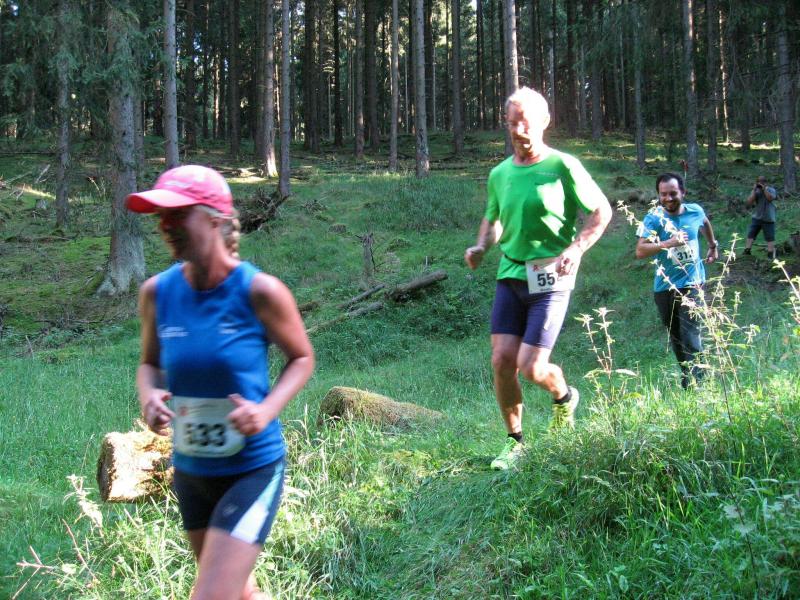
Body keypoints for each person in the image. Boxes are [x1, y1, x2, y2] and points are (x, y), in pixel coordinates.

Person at [127, 165, 314, 600]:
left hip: (251, 469)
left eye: (177, 214)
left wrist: (265, 411)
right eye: (161, 216)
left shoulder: (259, 291)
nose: (165, 225)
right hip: (191, 471)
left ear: (214, 219)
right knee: (238, 593)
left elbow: (302, 358)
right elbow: (149, 365)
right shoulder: (157, 293)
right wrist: (149, 395)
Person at [464, 87, 612, 470]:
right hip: (510, 273)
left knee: (531, 367)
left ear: (545, 122)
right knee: (502, 360)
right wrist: (481, 245)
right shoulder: (500, 174)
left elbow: (601, 211)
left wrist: (576, 249)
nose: (519, 130)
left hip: (551, 277)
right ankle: (514, 442)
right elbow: (494, 219)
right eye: (512, 123)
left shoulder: (562, 166)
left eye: (526, 122)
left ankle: (564, 397)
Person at [635, 172, 718, 389]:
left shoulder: (695, 211)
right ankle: (688, 377)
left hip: (692, 283)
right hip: (664, 287)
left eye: (673, 193)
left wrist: (712, 245)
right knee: (676, 336)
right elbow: (640, 251)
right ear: (658, 195)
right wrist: (668, 243)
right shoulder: (654, 218)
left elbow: (705, 222)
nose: (668, 198)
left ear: (683, 192)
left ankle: (700, 384)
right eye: (663, 194)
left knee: (690, 333)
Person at [743, 175, 778, 260]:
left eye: (763, 181)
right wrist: (754, 190)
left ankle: (770, 254)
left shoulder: (771, 190)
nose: (761, 183)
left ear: (766, 182)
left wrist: (764, 189)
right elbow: (749, 202)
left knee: (770, 237)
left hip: (769, 217)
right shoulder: (756, 191)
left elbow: (770, 198)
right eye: (759, 181)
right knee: (751, 234)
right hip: (757, 217)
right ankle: (747, 250)